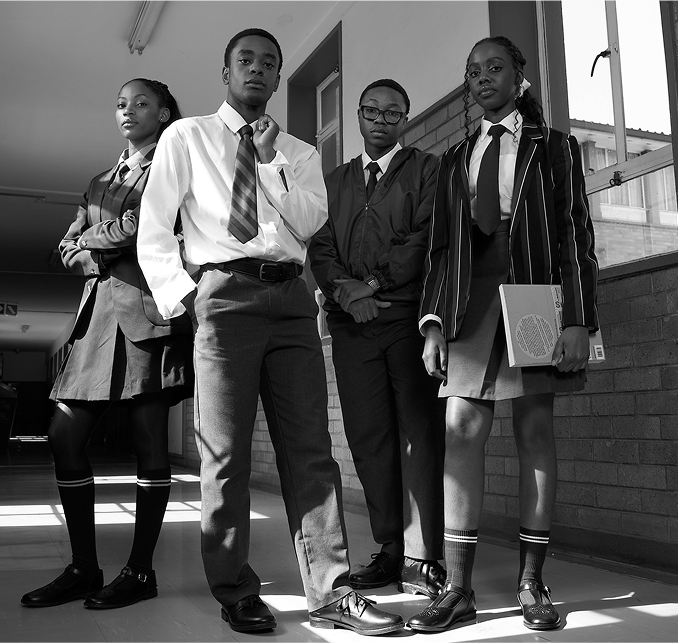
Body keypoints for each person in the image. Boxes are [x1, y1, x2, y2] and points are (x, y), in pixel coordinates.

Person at [136, 28, 403, 636]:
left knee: (311, 449)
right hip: (222, 295)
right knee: (224, 453)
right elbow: (154, 226)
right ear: (226, 71)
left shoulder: (301, 154)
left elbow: (310, 221)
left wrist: (269, 159)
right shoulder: (187, 135)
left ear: (279, 78)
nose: (258, 70)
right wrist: (185, 298)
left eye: (269, 64)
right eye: (245, 60)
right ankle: (233, 588)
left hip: (289, 299)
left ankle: (332, 592)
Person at [408, 36, 599, 633]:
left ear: (519, 76)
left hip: (535, 294)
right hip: (469, 299)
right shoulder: (453, 159)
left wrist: (578, 320)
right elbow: (441, 250)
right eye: (472, 71)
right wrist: (433, 324)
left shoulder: (558, 149)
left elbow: (575, 236)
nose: (482, 77)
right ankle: (459, 588)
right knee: (461, 425)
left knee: (534, 426)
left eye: (495, 67)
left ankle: (531, 581)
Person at [21, 79, 193, 610]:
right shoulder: (99, 180)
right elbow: (63, 248)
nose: (128, 111)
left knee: (148, 441)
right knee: (63, 435)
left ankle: (140, 572)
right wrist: (98, 248)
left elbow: (149, 226)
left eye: (141, 103)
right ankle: (84, 567)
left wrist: (93, 243)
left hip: (148, 313)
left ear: (164, 113)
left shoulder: (174, 165)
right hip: (96, 319)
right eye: (121, 103)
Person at [308, 78, 446, 600]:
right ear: (359, 116)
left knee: (419, 433)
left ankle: (423, 555)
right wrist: (347, 294)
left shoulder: (428, 171)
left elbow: (426, 238)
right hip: (351, 325)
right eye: (371, 111)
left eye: (393, 113)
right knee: (368, 438)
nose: (381, 120)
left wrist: (375, 284)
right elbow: (320, 247)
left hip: (405, 318)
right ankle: (390, 548)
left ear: (405, 120)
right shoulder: (334, 181)